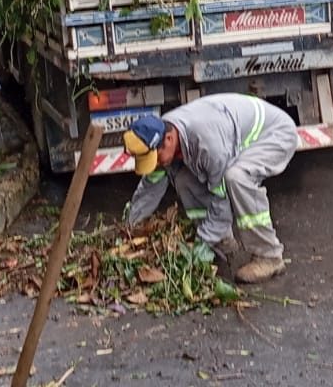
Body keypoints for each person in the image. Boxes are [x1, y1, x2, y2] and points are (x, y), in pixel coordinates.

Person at [121, 94, 298, 284]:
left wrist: (198, 245)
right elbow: (150, 187)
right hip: (232, 134)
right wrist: (130, 227)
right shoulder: (162, 132)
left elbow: (223, 206)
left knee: (236, 177)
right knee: (183, 178)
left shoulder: (208, 145)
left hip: (274, 134)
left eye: (155, 157)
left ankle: (269, 256)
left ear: (170, 139)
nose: (155, 163)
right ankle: (221, 241)